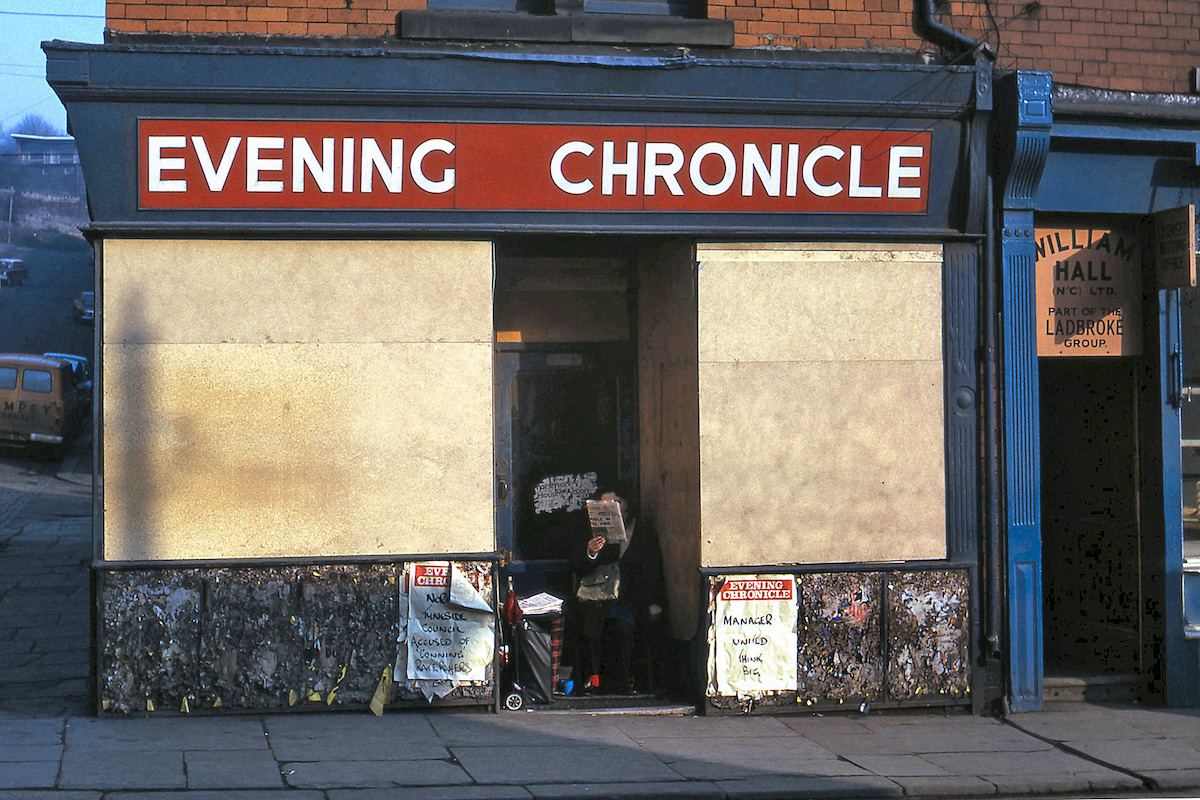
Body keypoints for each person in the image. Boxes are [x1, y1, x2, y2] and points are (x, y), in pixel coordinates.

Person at [570, 490, 664, 694]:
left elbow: (652, 568)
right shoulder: (591, 533)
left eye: (617, 502)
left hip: (631, 596)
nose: (612, 506)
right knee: (591, 623)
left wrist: (653, 600)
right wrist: (591, 552)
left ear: (627, 504)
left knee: (624, 626)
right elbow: (577, 566)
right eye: (605, 504)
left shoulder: (641, 531)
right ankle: (592, 678)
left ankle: (626, 678)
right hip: (598, 594)